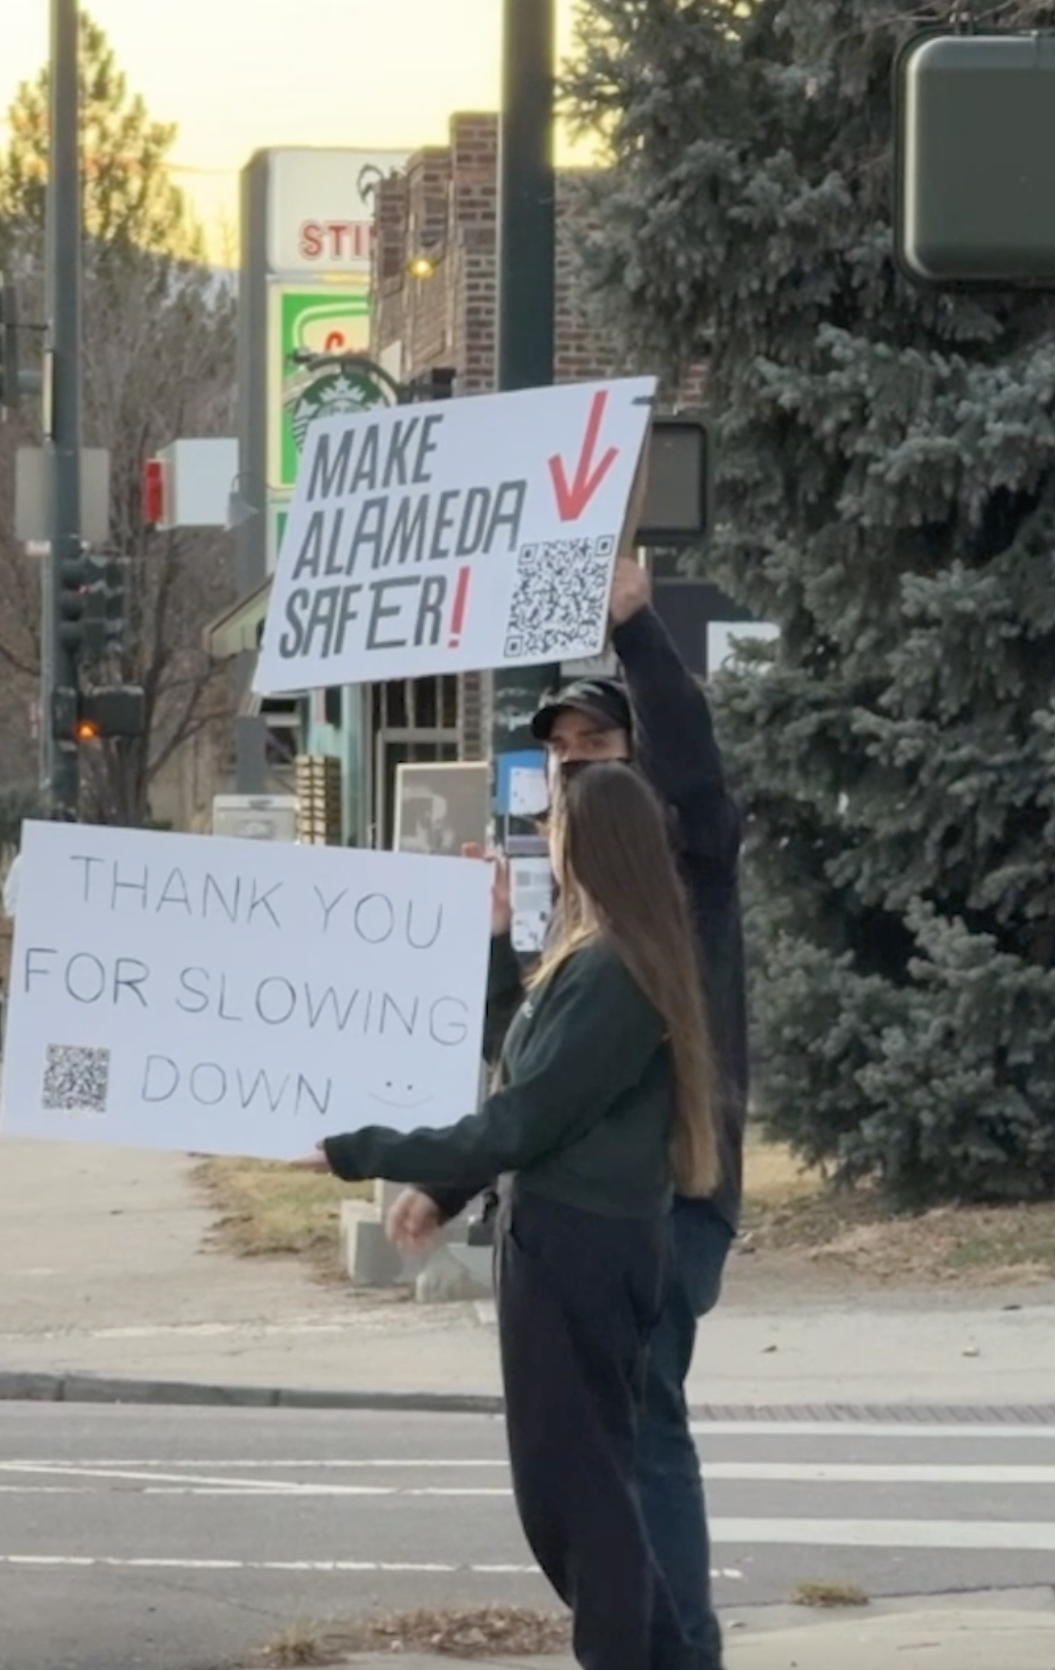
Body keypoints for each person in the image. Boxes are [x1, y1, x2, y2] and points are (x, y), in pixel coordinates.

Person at [403, 556, 748, 1669]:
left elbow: (694, 778)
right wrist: (496, 951)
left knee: (637, 1434)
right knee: (601, 1452)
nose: (567, 772)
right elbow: (535, 1074)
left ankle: (673, 1652)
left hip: (662, 1201)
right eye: (557, 755)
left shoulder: (686, 864)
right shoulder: (579, 901)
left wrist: (638, 629)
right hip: (579, 1216)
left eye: (592, 751)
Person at [307, 761, 724, 1670]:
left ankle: (642, 1654)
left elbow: (522, 1120)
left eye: (557, 830)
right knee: (574, 1489)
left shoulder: (617, 973)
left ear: (593, 845)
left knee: (582, 1492)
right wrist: (498, 944)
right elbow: (528, 1074)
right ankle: (652, 1651)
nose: (547, 846)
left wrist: (360, 1150)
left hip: (579, 1247)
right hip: (566, 1240)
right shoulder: (600, 957)